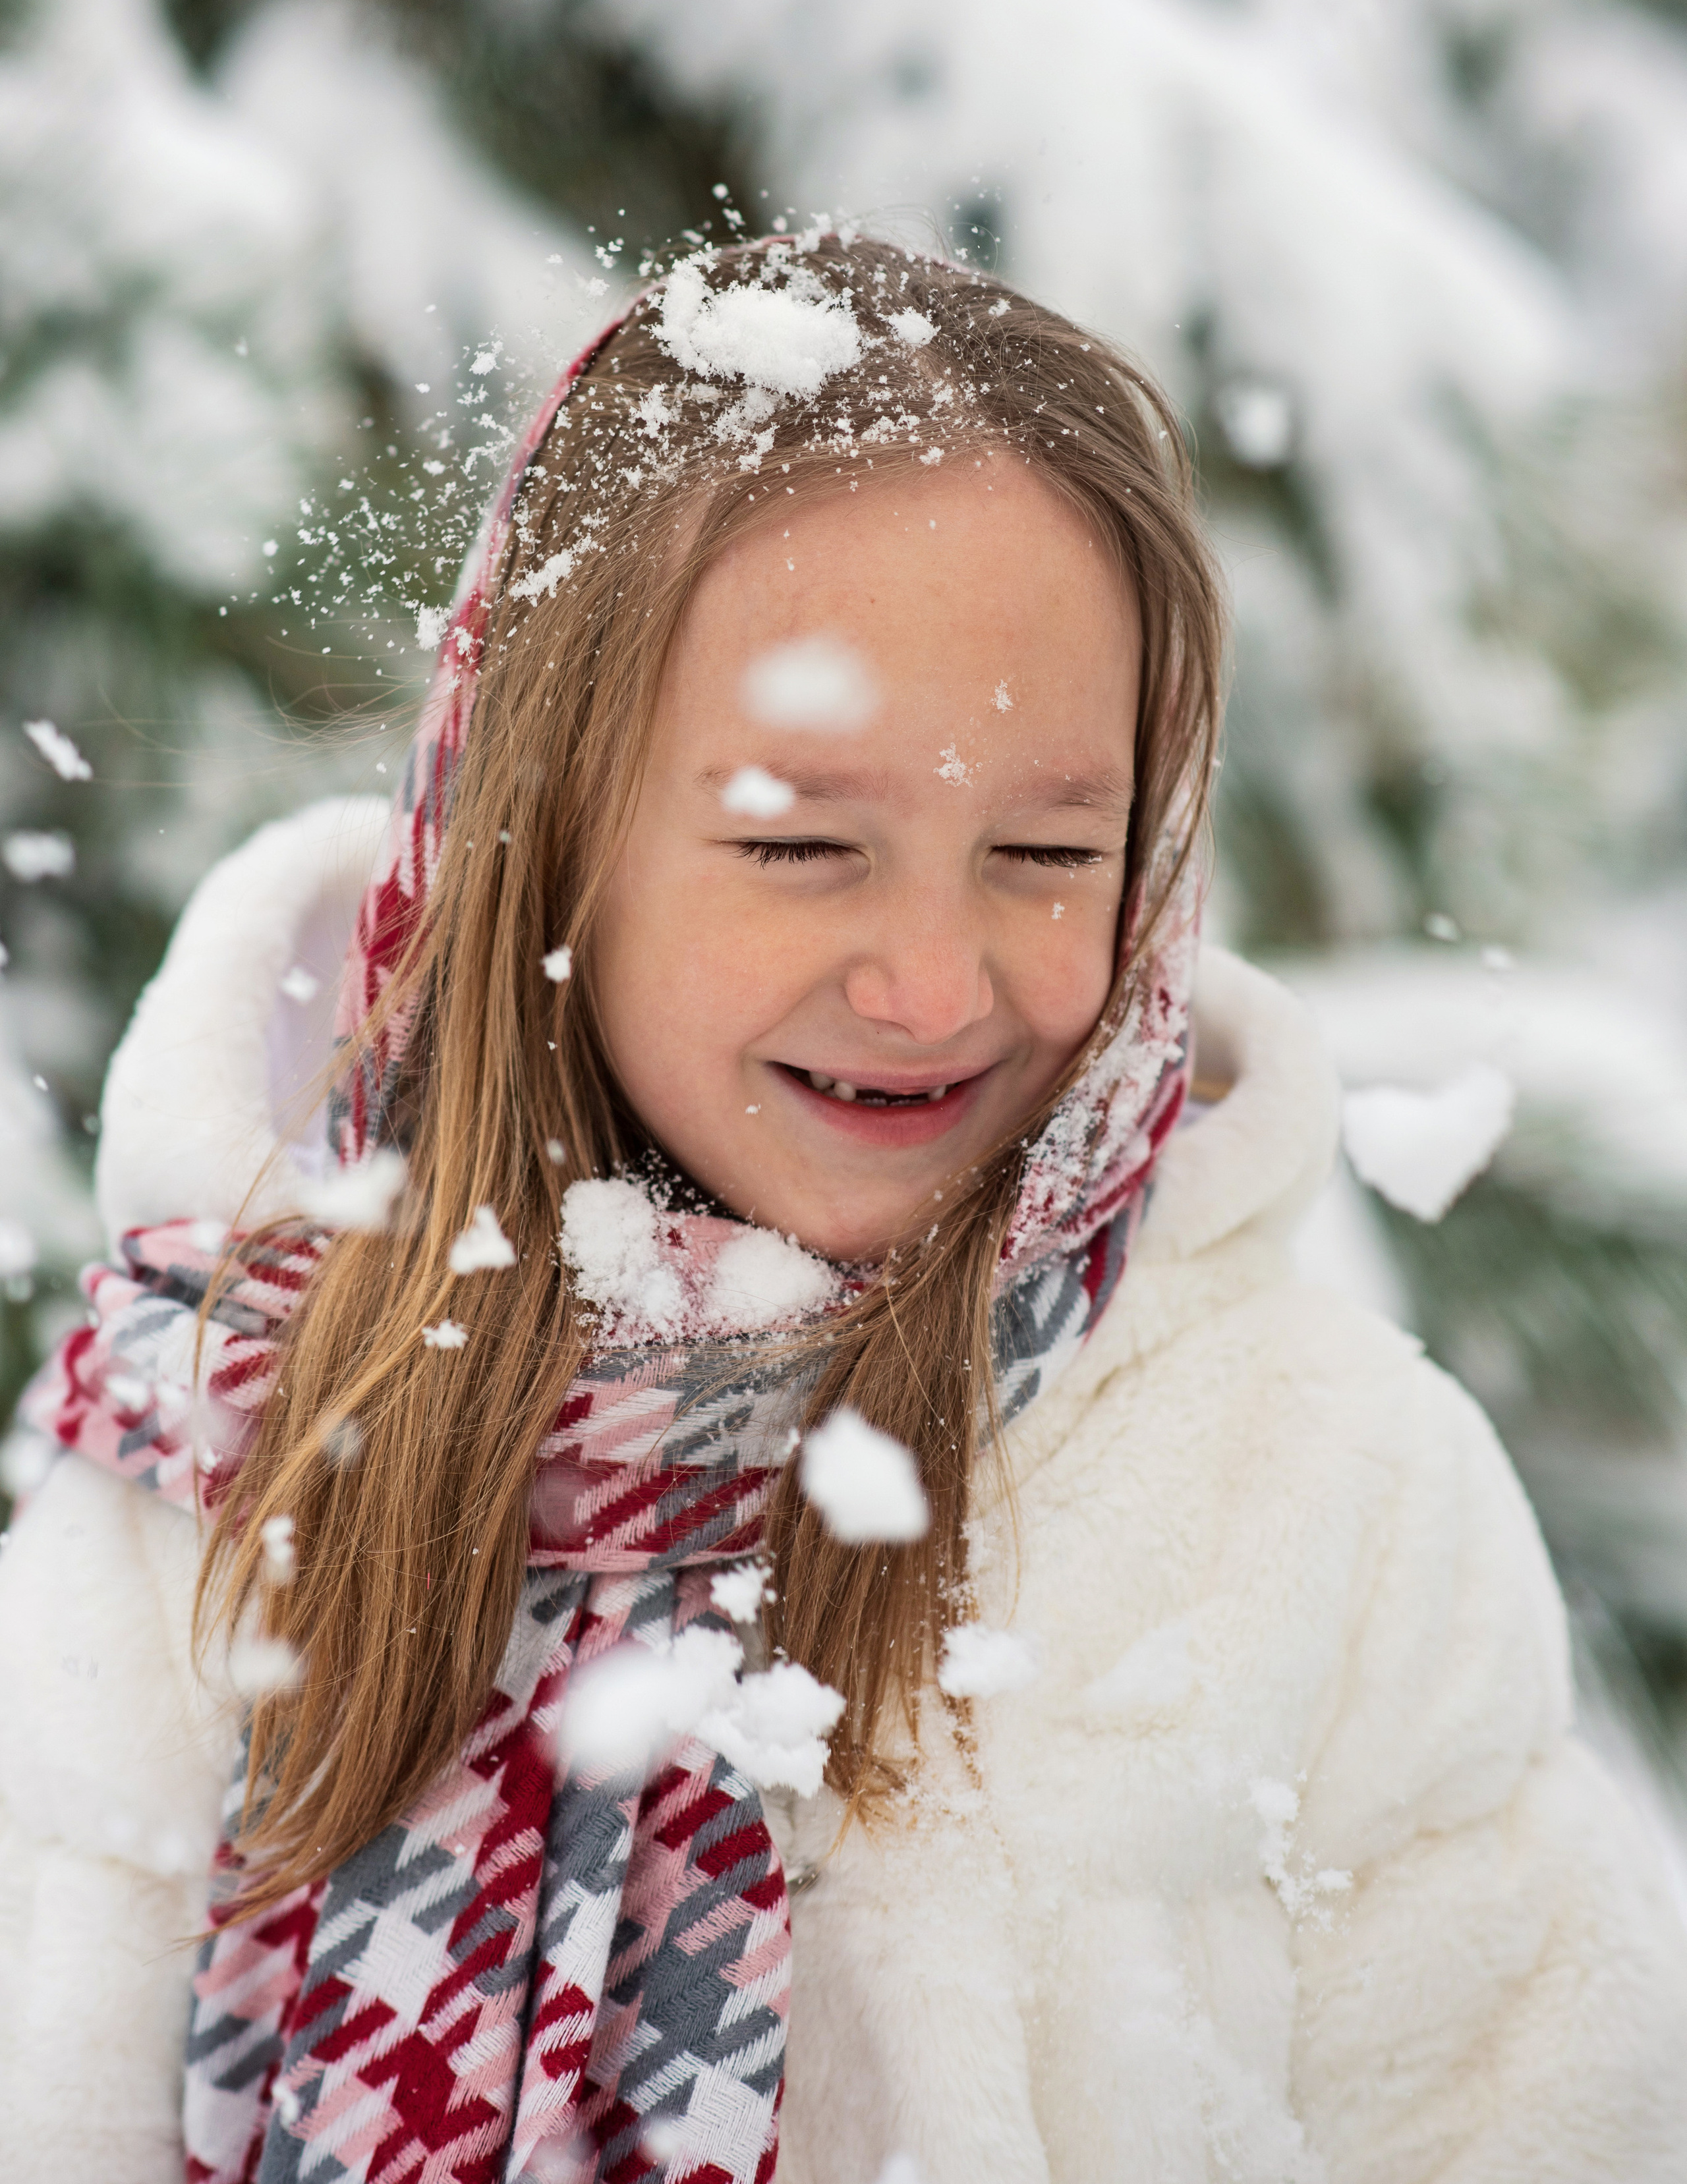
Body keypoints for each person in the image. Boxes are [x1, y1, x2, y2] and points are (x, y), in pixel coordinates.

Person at [2, 236, 1684, 2184]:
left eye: (1044, 850)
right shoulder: (215, 1449)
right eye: (805, 845)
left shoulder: (1313, 1493)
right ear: (545, 832)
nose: (932, 983)